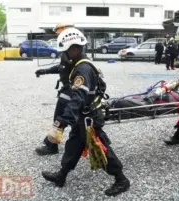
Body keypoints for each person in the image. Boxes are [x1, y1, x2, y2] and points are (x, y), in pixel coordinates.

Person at [41, 27, 130, 196]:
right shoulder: (77, 64)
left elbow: (77, 98)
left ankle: (122, 180)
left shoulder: (82, 69)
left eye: (65, 51)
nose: (63, 55)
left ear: (74, 49)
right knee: (74, 144)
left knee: (100, 147)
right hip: (83, 117)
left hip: (90, 118)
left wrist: (61, 121)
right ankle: (62, 175)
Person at [35, 23, 76, 155]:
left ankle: (51, 146)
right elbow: (61, 67)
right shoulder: (68, 50)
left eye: (59, 33)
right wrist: (45, 71)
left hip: (71, 91)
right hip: (68, 89)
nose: (57, 36)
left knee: (60, 119)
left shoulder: (73, 51)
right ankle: (51, 144)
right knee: (64, 119)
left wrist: (71, 90)